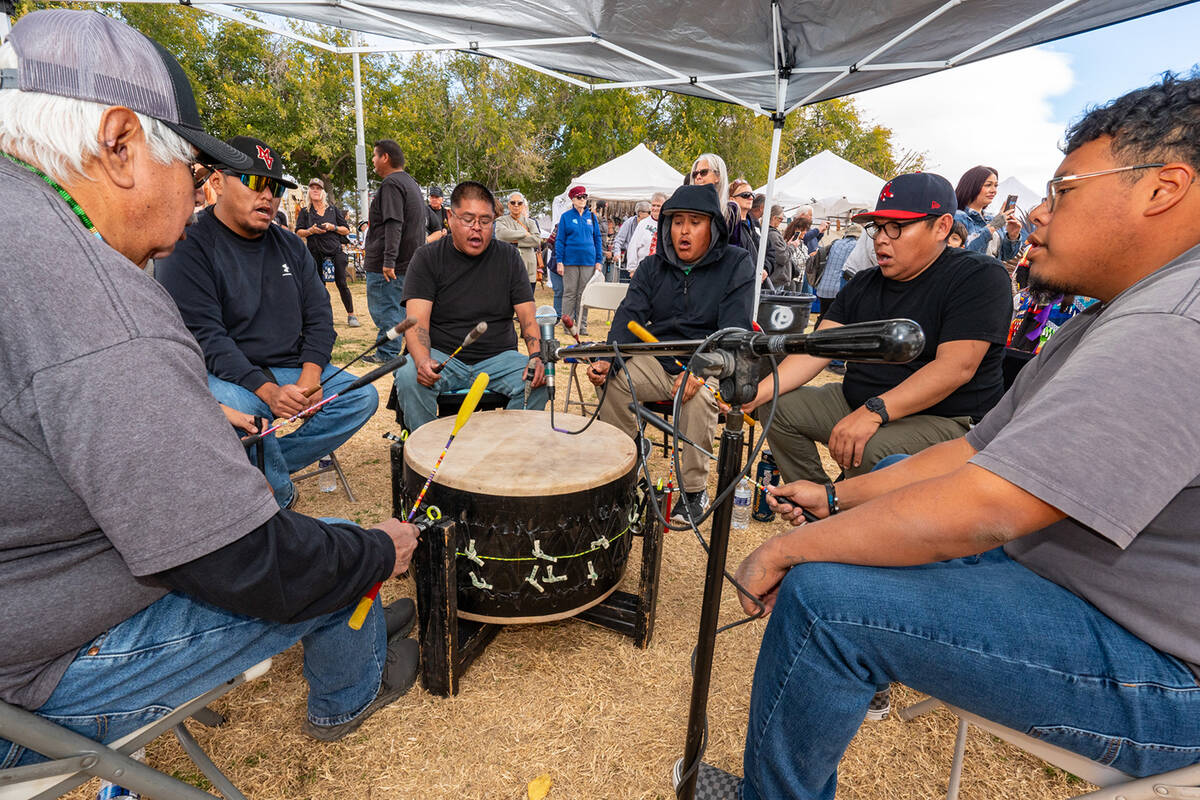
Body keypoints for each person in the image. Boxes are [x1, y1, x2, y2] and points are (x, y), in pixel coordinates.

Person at [685, 70, 1200, 800]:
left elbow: (987, 501)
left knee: (826, 600)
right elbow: (979, 452)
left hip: (1162, 670)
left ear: (1163, 187)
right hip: (1057, 583)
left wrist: (790, 544)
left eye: (1064, 191)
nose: (1041, 215)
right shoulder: (1114, 313)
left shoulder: (1173, 323)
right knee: (837, 565)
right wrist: (838, 504)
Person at [0, 9, 422, 764]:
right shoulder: (92, 291)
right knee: (332, 557)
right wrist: (373, 552)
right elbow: (247, 561)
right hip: (30, 684)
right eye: (193, 173)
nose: (195, 194)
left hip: (34, 598)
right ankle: (347, 692)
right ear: (121, 144)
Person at [157, 136, 379, 510]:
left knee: (361, 396)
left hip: (293, 370)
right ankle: (279, 495)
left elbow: (321, 319)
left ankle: (260, 468)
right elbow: (208, 339)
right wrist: (266, 391)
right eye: (254, 182)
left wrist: (309, 379)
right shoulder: (189, 244)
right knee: (233, 408)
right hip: (232, 378)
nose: (268, 196)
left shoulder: (291, 245)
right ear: (218, 181)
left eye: (274, 186)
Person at [745, 172, 1012, 483]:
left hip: (946, 417)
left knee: (870, 450)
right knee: (779, 406)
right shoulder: (864, 282)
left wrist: (873, 412)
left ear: (942, 226)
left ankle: (842, 512)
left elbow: (955, 369)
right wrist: (756, 393)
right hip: (862, 400)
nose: (882, 238)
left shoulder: (978, 276)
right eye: (878, 227)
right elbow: (816, 349)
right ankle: (817, 506)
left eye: (897, 227)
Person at [588, 184, 755, 524]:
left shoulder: (737, 263)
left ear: (713, 227)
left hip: (709, 361)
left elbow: (733, 331)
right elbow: (628, 314)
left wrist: (698, 369)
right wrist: (608, 358)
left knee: (697, 401)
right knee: (614, 382)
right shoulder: (652, 266)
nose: (684, 230)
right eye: (677, 221)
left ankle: (693, 491)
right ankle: (628, 462)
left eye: (695, 222)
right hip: (659, 358)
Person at [392, 181, 548, 430]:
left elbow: (528, 316)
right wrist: (422, 361)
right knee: (410, 375)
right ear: (451, 218)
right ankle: (430, 454)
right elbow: (416, 323)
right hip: (443, 356)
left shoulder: (509, 258)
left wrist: (536, 357)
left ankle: (507, 450)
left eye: (485, 221)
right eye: (468, 219)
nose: (477, 228)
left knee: (539, 379)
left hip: (499, 357)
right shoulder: (427, 257)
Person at [362, 139, 426, 364]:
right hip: (409, 262)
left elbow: (393, 223)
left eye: (374, 155)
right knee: (399, 311)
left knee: (387, 309)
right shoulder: (410, 183)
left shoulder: (391, 184)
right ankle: (401, 349)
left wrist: (388, 260)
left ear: (385, 157)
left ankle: (387, 353)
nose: (372, 161)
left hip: (388, 266)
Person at [296, 177, 358, 327]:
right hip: (315, 252)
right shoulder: (305, 212)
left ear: (323, 192)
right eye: (312, 188)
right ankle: (322, 316)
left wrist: (332, 227)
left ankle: (351, 315)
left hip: (335, 251)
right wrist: (310, 231)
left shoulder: (333, 209)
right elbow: (298, 232)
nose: (315, 191)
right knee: (318, 286)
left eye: (318, 188)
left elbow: (346, 230)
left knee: (342, 283)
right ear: (309, 191)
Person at [555, 185, 604, 335]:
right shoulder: (566, 217)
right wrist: (559, 261)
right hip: (569, 261)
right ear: (573, 199)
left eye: (584, 197)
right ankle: (568, 326)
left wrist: (598, 260)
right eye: (579, 197)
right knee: (569, 293)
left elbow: (597, 239)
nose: (583, 199)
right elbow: (560, 240)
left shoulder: (592, 217)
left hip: (589, 261)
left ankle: (582, 326)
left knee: (584, 294)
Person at [954, 165, 1023, 260]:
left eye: (995, 186)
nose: (994, 191)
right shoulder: (957, 217)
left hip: (993, 273)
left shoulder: (991, 219)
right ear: (972, 186)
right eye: (988, 185)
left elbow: (1006, 256)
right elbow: (962, 252)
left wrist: (1012, 236)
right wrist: (993, 226)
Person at [494, 191, 543, 292]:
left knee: (527, 303)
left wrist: (513, 241)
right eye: (513, 202)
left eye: (519, 203)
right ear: (508, 205)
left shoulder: (531, 222)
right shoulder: (501, 220)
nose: (516, 205)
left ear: (523, 205)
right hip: (507, 267)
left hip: (528, 269)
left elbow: (537, 240)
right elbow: (501, 235)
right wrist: (524, 233)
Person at [626, 192, 666, 276]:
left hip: (663, 270)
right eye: (653, 205)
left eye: (658, 206)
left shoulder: (669, 224)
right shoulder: (643, 224)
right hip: (644, 269)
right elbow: (633, 246)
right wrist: (632, 269)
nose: (655, 208)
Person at [613, 201, 649, 282]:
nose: (643, 222)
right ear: (638, 213)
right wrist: (617, 253)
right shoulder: (629, 223)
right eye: (642, 219)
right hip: (628, 263)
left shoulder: (650, 224)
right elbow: (618, 240)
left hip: (644, 263)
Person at [764, 204, 791, 291]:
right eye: (781, 219)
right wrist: (791, 247)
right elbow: (782, 258)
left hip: (774, 277)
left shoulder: (767, 231)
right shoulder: (773, 235)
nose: (781, 222)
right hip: (775, 278)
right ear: (774, 218)